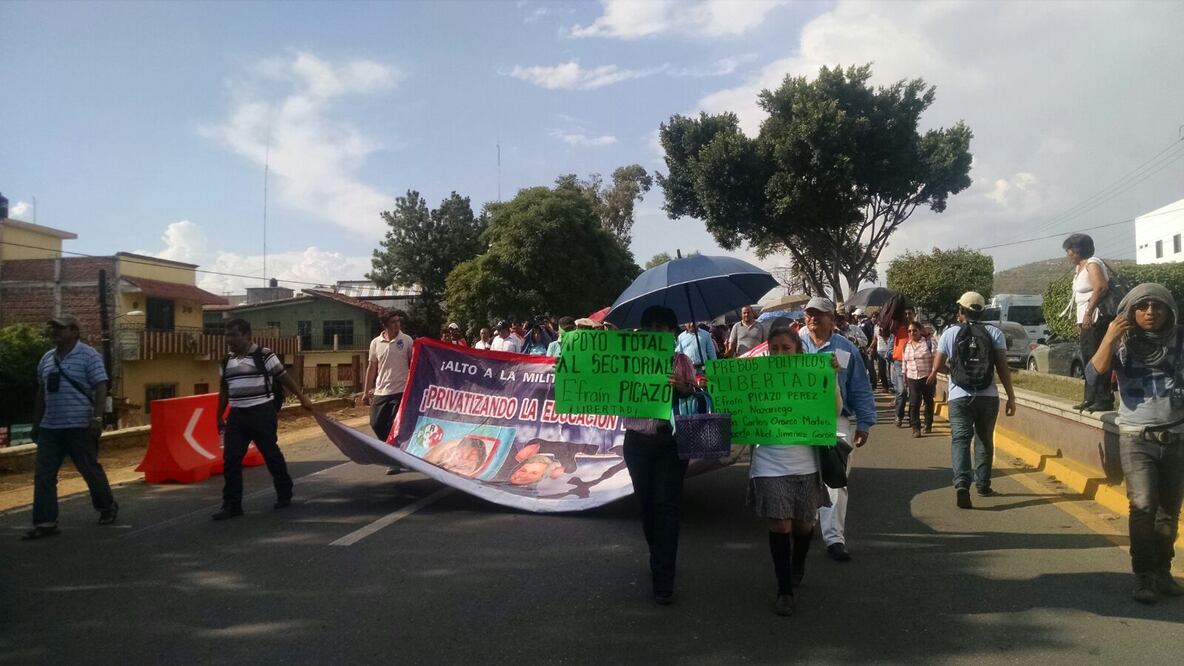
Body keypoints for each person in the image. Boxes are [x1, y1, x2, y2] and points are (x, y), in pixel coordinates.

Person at [1086, 283, 1184, 604]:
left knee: (1168, 510)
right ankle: (1143, 575)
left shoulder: (1180, 338)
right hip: (1136, 437)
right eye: (1142, 307)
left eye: (1158, 306)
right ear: (1130, 311)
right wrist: (1109, 338)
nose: (1150, 312)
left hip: (1176, 436)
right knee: (1142, 507)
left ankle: (1162, 571)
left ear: (1169, 310)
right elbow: (1093, 375)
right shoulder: (1121, 341)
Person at [748, 320, 839, 616]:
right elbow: (738, 409)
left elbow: (834, 411)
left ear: (798, 351)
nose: (779, 354)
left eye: (785, 348)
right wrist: (718, 387)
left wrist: (832, 378)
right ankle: (784, 589)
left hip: (805, 464)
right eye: (774, 349)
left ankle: (798, 561)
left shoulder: (813, 375)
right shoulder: (757, 378)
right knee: (780, 525)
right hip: (769, 463)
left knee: (803, 526)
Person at [622, 305, 696, 605]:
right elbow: (603, 383)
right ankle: (659, 555)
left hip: (671, 444)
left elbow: (694, 393)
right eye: (649, 326)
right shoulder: (626, 361)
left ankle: (663, 578)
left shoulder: (681, 362)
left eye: (661, 327)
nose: (654, 332)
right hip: (636, 444)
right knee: (647, 506)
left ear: (672, 332)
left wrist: (684, 387)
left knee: (666, 507)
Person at [23, 315, 118, 540]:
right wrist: (36, 423)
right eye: (52, 328)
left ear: (74, 331)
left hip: (79, 426)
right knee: (44, 475)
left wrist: (97, 418)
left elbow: (101, 386)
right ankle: (45, 521)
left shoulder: (89, 355)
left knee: (89, 469)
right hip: (50, 427)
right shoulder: (47, 359)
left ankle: (106, 506)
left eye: (60, 328)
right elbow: (42, 392)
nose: (54, 331)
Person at [800, 297, 877, 562]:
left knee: (835, 479)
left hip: (836, 421)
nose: (813, 318)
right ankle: (807, 523)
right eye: (809, 314)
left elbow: (859, 387)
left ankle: (834, 538)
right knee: (804, 475)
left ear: (832, 319)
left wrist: (864, 423)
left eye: (819, 314)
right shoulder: (794, 346)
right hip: (801, 421)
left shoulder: (846, 349)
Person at [214, 318, 314, 520]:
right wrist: (219, 416)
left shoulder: (265, 355)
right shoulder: (226, 361)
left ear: (246, 335)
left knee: (270, 454)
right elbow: (224, 390)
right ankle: (232, 505)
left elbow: (284, 378)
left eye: (233, 335)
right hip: (237, 415)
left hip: (261, 412)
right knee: (231, 460)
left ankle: (284, 491)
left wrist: (302, 397)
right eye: (227, 336)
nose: (229, 340)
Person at [927, 292, 1016, 509]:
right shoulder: (994, 333)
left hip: (959, 397)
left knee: (960, 440)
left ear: (961, 311)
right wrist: (1011, 397)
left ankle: (962, 485)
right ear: (983, 311)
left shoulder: (950, 333)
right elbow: (1002, 367)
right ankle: (983, 484)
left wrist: (954, 373)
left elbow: (937, 366)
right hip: (988, 396)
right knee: (984, 439)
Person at [1063, 233, 1115, 412]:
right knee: (1088, 359)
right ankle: (1090, 397)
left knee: (1097, 357)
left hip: (1096, 319)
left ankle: (1103, 398)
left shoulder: (1093, 263)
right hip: (1086, 321)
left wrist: (1088, 313)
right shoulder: (1080, 267)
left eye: (1069, 250)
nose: (1068, 254)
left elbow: (1100, 287)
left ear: (1077, 250)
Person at [364, 309, 414, 452]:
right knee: (375, 423)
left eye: (398, 321)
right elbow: (372, 367)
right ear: (385, 325)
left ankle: (396, 453)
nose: (397, 324)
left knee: (394, 423)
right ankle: (392, 448)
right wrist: (366, 392)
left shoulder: (407, 340)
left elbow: (413, 364)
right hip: (381, 391)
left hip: (400, 390)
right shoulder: (375, 343)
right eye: (393, 322)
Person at [902, 321, 936, 437]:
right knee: (914, 402)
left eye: (914, 330)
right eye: (909, 331)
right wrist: (904, 375)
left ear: (920, 331)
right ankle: (916, 428)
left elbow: (935, 358)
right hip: (912, 377)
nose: (912, 333)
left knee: (928, 401)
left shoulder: (928, 343)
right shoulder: (906, 345)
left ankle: (928, 423)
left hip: (927, 377)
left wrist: (933, 373)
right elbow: (904, 361)